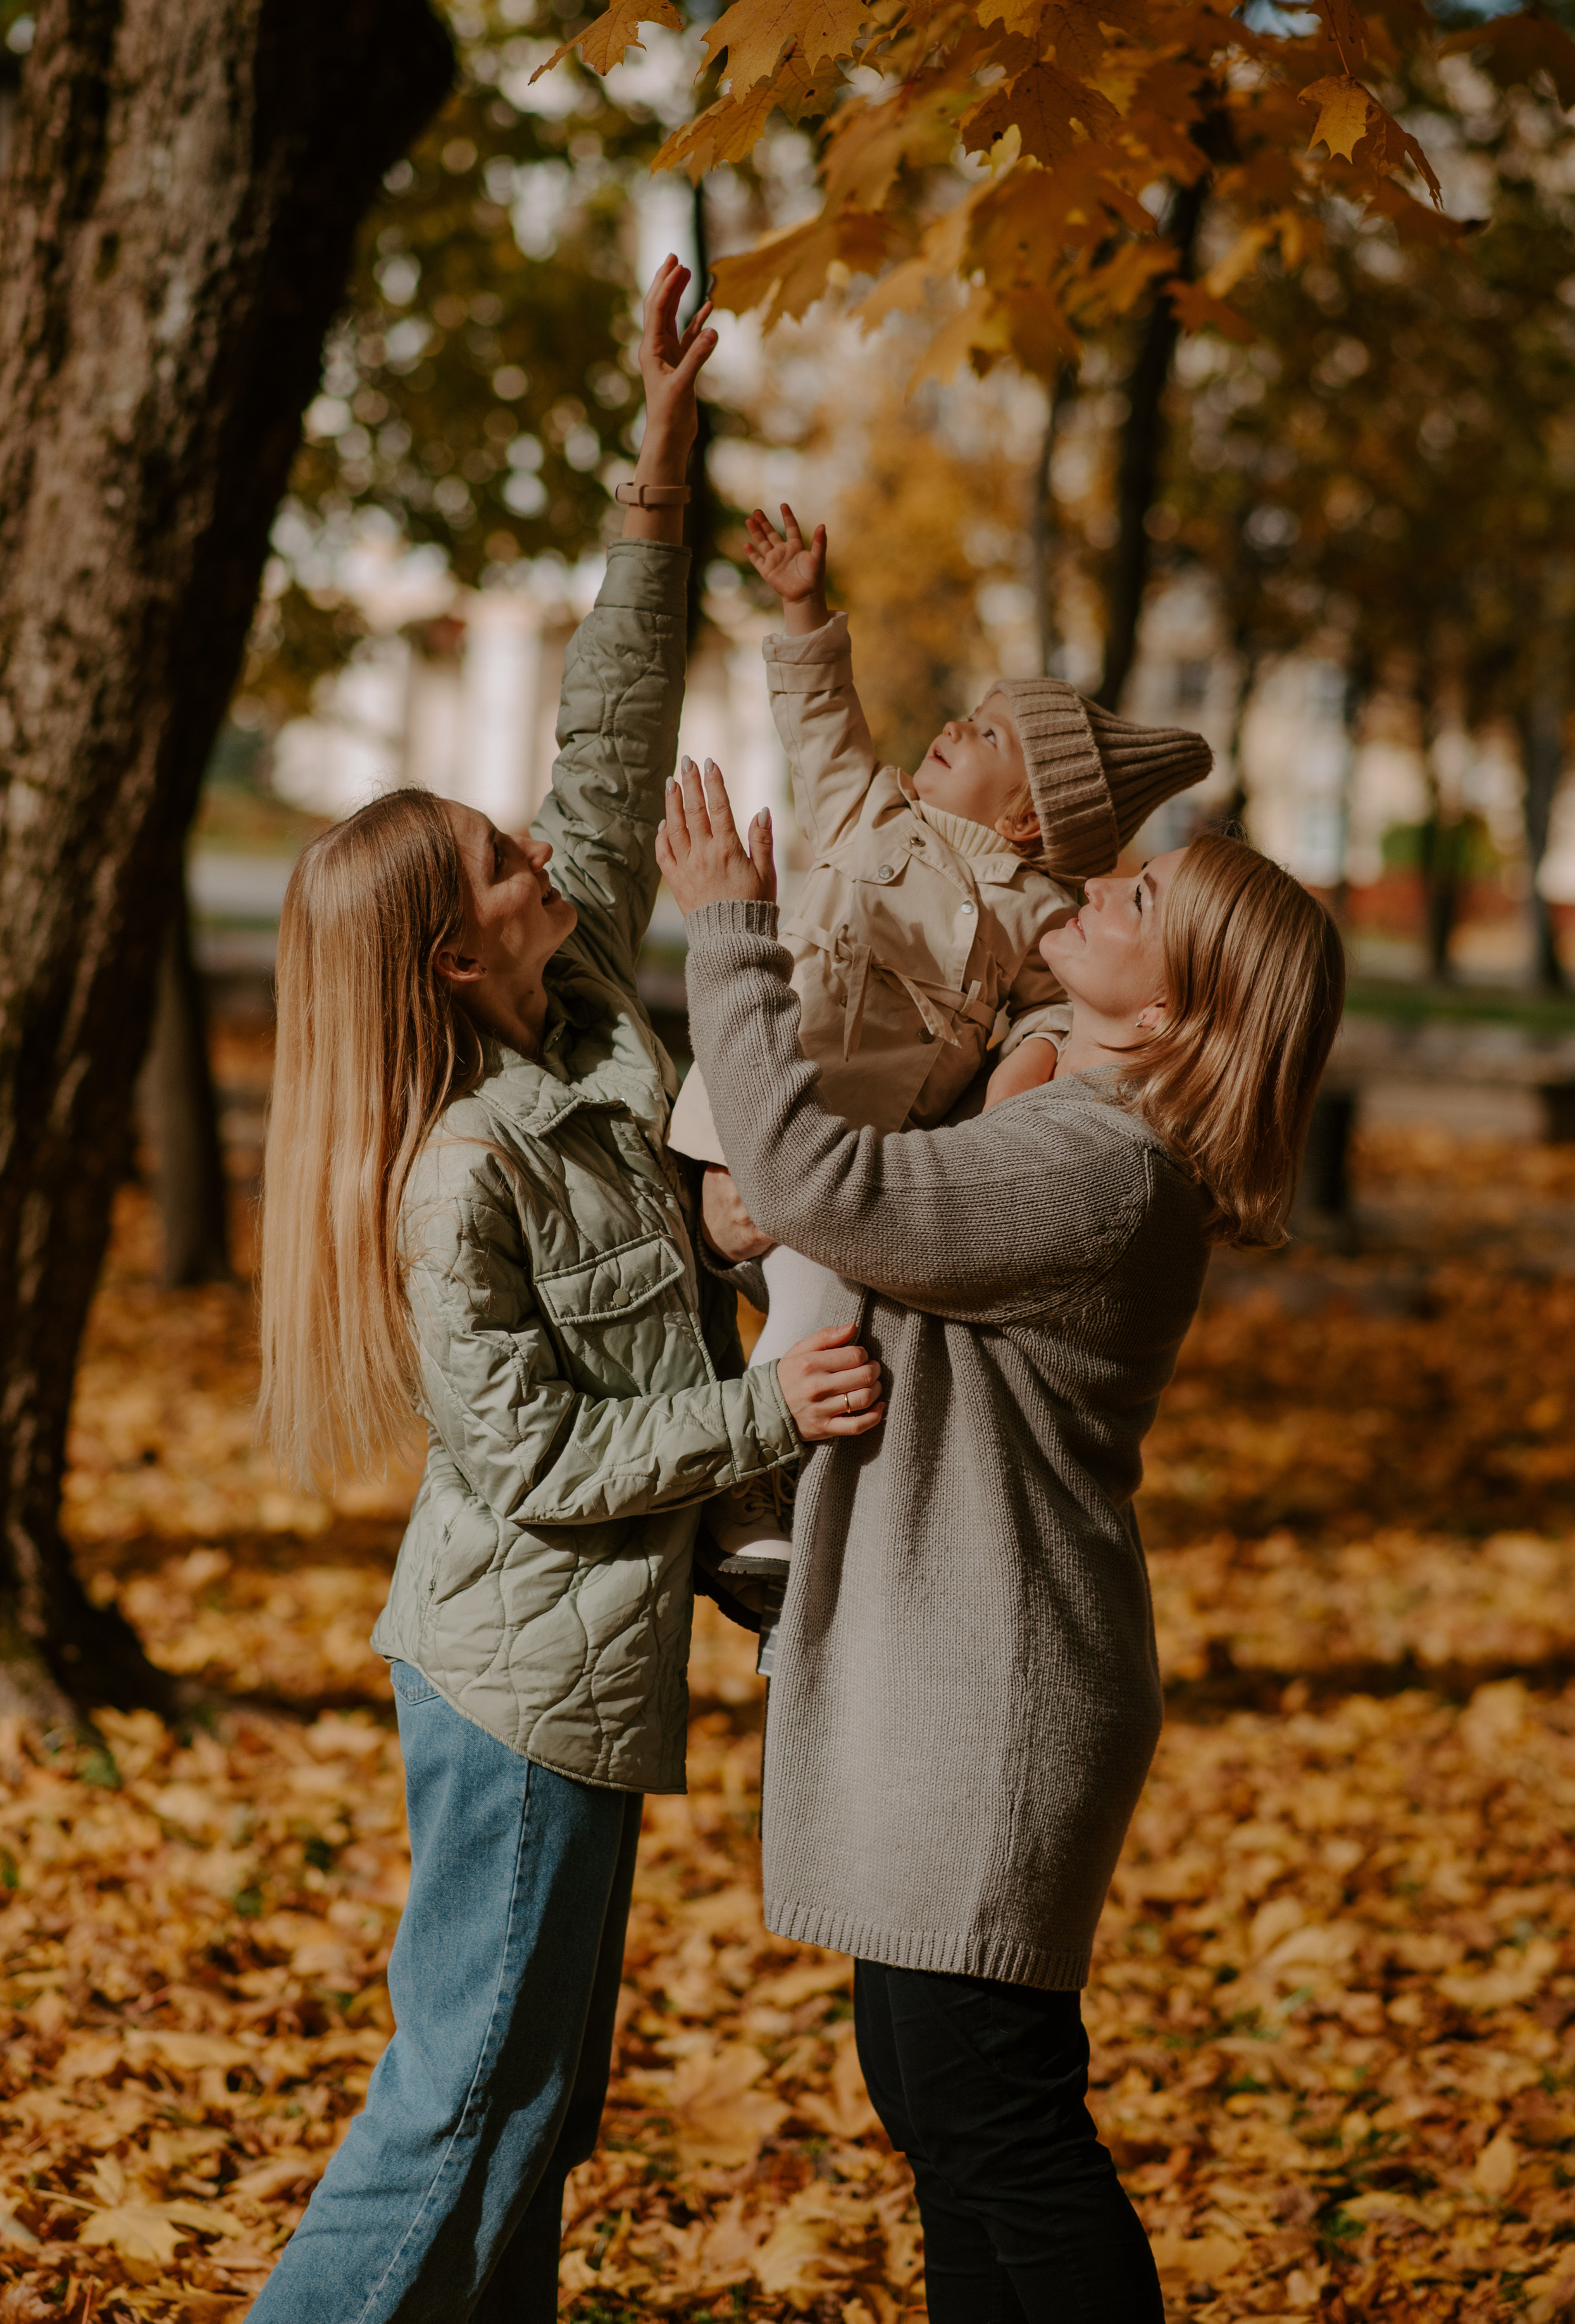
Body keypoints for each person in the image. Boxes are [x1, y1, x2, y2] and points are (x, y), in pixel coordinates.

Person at [247, 261, 883, 2324]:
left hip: (568, 1672)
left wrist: (661, 448)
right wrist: (776, 1409)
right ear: (457, 954)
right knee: (456, 2106)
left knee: (532, 2114)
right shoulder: (463, 1169)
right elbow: (538, 1455)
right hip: (519, 1684)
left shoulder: (571, 1021)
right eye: (516, 862)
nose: (556, 856)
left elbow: (607, 722)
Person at [657, 760, 1347, 2324]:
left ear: (1173, 1011)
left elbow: (820, 1183)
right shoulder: (1077, 1119)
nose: (1104, 885)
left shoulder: (1096, 1172)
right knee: (943, 2118)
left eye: (1139, 902)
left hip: (995, 1695)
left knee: (997, 2130)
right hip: (957, 1676)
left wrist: (730, 933)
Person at [669, 502, 1212, 1577]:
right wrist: (802, 605)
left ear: (1027, 821)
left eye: (991, 735)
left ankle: (758, 1500)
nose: (957, 728)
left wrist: (1027, 1059)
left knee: (826, 1311)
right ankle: (739, 1475)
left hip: (854, 1160)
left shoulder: (1039, 915)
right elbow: (822, 720)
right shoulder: (869, 812)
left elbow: (1059, 1005)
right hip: (753, 1102)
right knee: (757, 1296)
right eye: (971, 714)